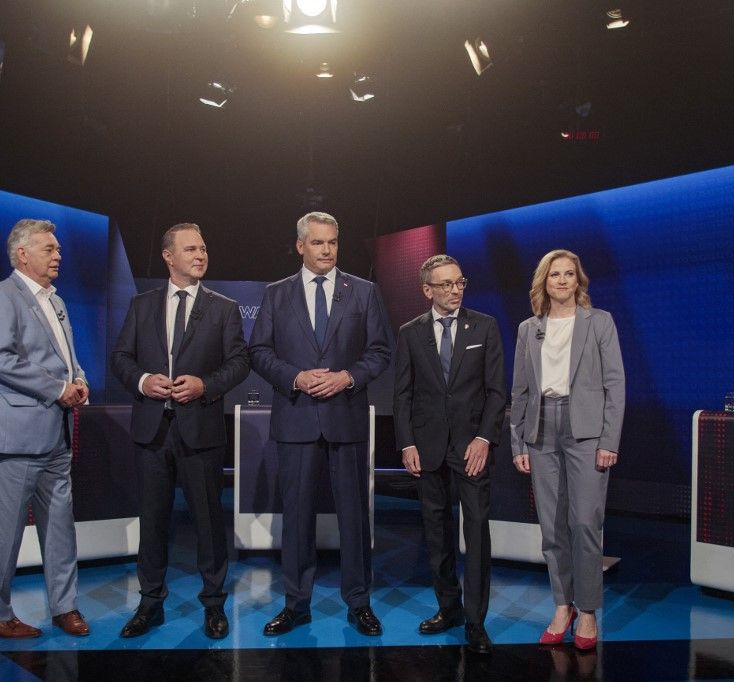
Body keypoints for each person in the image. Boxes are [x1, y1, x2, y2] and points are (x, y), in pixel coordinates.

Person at [249, 211, 392, 637]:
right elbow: (258, 352)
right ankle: (296, 604)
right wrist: (295, 376)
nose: (327, 250)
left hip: (345, 417)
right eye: (318, 243)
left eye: (332, 242)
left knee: (355, 517)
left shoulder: (364, 292)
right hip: (295, 418)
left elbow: (380, 351)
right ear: (300, 246)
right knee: (296, 517)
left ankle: (359, 603)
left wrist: (347, 377)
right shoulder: (276, 294)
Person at [111, 223, 249, 640]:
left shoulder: (224, 308)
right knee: (153, 522)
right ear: (169, 256)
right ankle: (150, 604)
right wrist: (142, 381)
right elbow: (121, 357)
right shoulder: (142, 305)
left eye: (203, 248)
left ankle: (213, 604)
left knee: (208, 522)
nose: (201, 255)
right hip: (153, 431)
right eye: (191, 249)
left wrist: (205, 385)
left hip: (201, 430)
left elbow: (240, 363)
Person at [0, 219, 90, 639]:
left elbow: (65, 355)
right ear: (23, 254)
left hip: (56, 434)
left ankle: (65, 607)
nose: (58, 255)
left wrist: (78, 380)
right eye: (49, 248)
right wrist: (58, 388)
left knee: (60, 527)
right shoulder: (0, 297)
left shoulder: (56, 301)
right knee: (3, 533)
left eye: (58, 248)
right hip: (17, 436)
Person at [510, 249, 625, 651]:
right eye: (554, 274)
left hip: (587, 432)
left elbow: (615, 386)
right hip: (541, 430)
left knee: (585, 524)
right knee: (552, 528)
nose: (561, 280)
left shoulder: (599, 322)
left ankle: (588, 610)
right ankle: (563, 606)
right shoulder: (529, 328)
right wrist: (519, 440)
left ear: (579, 280)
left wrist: (609, 441)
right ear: (544, 281)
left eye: (569, 273)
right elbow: (520, 390)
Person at [393, 254, 506, 654]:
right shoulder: (410, 333)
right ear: (427, 290)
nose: (455, 290)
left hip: (472, 449)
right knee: (437, 534)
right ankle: (449, 608)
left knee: (475, 533)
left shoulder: (485, 327)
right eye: (445, 285)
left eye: (459, 282)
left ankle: (475, 621)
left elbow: (496, 392)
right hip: (427, 451)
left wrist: (485, 439)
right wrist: (407, 443)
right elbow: (403, 393)